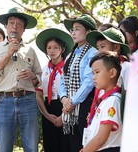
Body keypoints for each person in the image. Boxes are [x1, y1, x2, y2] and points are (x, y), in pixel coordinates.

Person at [0, 7, 42, 152]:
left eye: (19, 24)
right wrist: (8, 53)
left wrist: (33, 76)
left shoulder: (30, 50)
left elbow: (39, 79)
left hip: (28, 100)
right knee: (4, 147)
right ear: (6, 27)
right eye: (11, 23)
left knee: (32, 147)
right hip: (4, 101)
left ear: (24, 29)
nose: (15, 26)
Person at [59, 14, 98, 152]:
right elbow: (62, 80)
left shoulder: (93, 52)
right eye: (72, 29)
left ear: (88, 32)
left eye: (77, 28)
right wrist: (64, 99)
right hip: (70, 108)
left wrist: (72, 101)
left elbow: (89, 81)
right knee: (73, 145)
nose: (73, 32)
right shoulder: (71, 54)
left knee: (85, 143)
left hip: (85, 103)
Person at [35, 28, 73, 152]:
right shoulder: (44, 70)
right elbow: (38, 95)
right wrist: (47, 115)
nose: (52, 50)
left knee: (65, 145)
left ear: (62, 49)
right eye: (49, 47)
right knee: (51, 146)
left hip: (66, 107)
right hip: (48, 109)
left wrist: (63, 116)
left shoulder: (69, 68)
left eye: (55, 47)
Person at [81, 52, 122, 152]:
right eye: (93, 73)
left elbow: (100, 138)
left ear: (112, 73)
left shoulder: (113, 100)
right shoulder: (106, 100)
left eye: (97, 72)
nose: (93, 77)